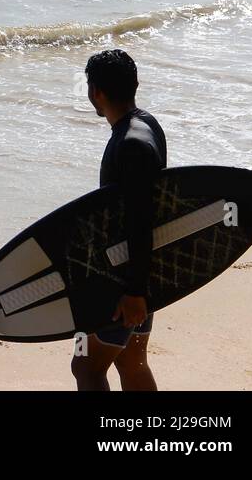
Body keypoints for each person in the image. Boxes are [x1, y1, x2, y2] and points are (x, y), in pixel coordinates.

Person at [70, 49, 166, 391]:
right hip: (143, 272)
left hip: (124, 280)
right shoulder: (146, 124)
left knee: (86, 366)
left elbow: (141, 220)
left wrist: (135, 292)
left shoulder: (130, 144)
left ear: (96, 92)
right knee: (130, 360)